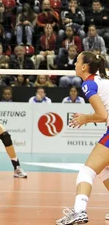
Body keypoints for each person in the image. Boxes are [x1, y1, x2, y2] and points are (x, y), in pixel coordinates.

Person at [56, 52, 109, 225]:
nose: (75, 64)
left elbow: (101, 115)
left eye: (77, 61)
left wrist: (85, 118)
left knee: (87, 171)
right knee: (103, 170)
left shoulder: (89, 84)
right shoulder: (103, 81)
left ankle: (79, 210)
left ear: (85, 67)